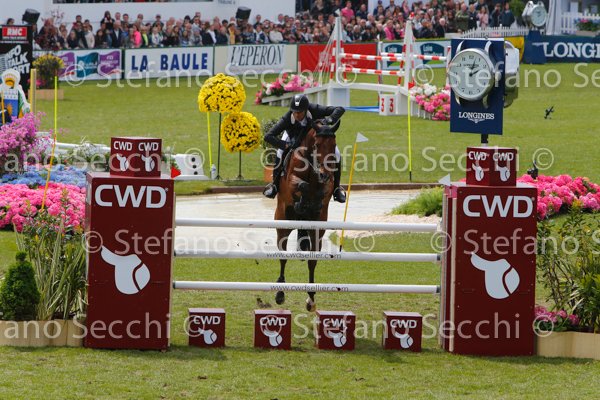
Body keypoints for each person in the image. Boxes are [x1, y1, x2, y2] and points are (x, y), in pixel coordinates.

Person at [263, 94, 347, 203]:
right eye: (294, 112)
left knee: (337, 153)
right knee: (280, 152)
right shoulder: (287, 118)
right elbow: (268, 136)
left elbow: (340, 109)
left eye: (300, 112)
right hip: (292, 137)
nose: (297, 115)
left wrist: (330, 119)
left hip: (315, 138)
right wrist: (286, 145)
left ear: (306, 109)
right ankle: (274, 185)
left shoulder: (315, 109)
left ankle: (336, 188)